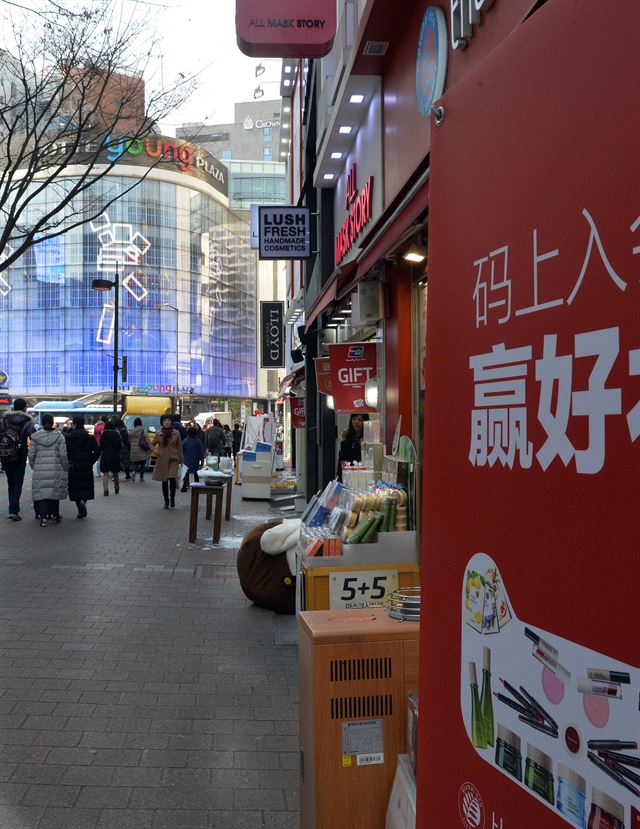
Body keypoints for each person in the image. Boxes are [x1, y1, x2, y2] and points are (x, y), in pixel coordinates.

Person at [28, 413, 68, 526]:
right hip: (55, 469)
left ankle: (44, 518)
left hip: (40, 470)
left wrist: (33, 466)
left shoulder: (36, 437)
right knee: (54, 493)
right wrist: (65, 467)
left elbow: (31, 455)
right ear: (52, 422)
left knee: (42, 494)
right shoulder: (59, 436)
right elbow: (63, 455)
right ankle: (55, 515)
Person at [0, 397, 36, 521]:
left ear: (14, 407)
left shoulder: (4, 420)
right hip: (20, 455)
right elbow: (34, 437)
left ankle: (12, 508)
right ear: (24, 408)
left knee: (11, 481)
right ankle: (13, 510)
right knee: (17, 481)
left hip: (5, 454)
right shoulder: (28, 422)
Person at [65, 416, 100, 519]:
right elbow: (97, 451)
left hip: (73, 466)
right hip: (86, 466)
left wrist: (69, 461)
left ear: (74, 424)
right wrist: (91, 461)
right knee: (86, 487)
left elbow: (64, 452)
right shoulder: (90, 437)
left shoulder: (68, 437)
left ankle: (79, 506)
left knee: (75, 488)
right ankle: (83, 502)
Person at [152, 414, 184, 508]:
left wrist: (182, 460)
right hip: (162, 461)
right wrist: (155, 451)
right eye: (165, 421)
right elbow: (151, 444)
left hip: (174, 460)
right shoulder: (158, 434)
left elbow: (179, 447)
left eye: (169, 420)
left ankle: (172, 497)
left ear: (171, 422)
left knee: (172, 478)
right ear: (162, 422)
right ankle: (166, 501)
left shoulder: (176, 433)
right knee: (164, 481)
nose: (167, 422)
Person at [336, 413, 369, 481]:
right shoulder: (346, 436)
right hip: (347, 472)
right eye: (354, 419)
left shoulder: (368, 438)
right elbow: (342, 458)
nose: (356, 422)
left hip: (362, 473)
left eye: (359, 420)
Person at [99, 420, 122, 496]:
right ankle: (117, 488)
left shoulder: (103, 435)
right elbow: (120, 446)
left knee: (105, 474)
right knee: (116, 474)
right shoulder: (117, 434)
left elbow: (101, 446)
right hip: (115, 456)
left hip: (105, 455)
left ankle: (106, 490)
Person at [181, 426, 204, 491]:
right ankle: (196, 484)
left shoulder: (185, 440)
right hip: (195, 460)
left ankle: (186, 484)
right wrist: (202, 462)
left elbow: (182, 450)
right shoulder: (198, 441)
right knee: (196, 473)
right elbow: (201, 452)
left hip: (186, 459)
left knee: (186, 472)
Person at [128, 417, 150, 482]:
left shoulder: (131, 431)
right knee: (142, 465)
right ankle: (141, 477)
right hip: (142, 450)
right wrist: (150, 447)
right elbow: (147, 440)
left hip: (134, 450)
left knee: (135, 463)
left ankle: (134, 472)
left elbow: (129, 441)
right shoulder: (144, 431)